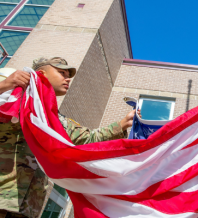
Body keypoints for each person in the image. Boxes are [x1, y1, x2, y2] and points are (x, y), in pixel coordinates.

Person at [0, 57, 137, 218]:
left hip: (26, 208)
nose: (67, 79)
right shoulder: (13, 95)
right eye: (61, 72)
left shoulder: (54, 120)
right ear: (41, 73)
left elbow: (87, 139)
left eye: (68, 75)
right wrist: (4, 85)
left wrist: (122, 124)